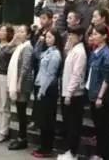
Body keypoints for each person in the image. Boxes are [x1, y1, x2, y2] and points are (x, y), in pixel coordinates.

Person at [32, 28, 63, 158]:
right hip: (41, 85)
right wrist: (40, 41)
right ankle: (43, 145)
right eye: (47, 37)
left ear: (56, 38)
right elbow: (36, 54)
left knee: (47, 120)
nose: (48, 39)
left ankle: (47, 148)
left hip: (48, 89)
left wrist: (42, 91)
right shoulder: (47, 51)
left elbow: (50, 75)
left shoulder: (55, 54)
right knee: (43, 119)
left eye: (50, 37)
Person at [87, 24, 109, 160]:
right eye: (92, 34)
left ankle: (102, 154)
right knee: (97, 126)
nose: (93, 37)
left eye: (96, 34)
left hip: (101, 95)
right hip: (92, 92)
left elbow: (107, 78)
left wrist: (100, 96)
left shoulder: (107, 53)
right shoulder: (95, 51)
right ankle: (99, 153)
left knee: (102, 127)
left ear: (104, 36)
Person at [59, 26, 87, 160]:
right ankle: (69, 150)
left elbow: (77, 74)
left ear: (80, 37)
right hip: (67, 91)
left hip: (75, 94)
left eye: (73, 35)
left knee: (74, 125)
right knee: (68, 124)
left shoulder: (80, 52)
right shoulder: (73, 49)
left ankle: (73, 152)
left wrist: (69, 93)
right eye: (69, 34)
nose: (70, 37)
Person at [7, 25, 34, 151]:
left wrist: (19, 82)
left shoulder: (27, 47)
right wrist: (14, 40)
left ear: (28, 35)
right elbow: (6, 50)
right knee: (19, 111)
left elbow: (25, 67)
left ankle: (22, 138)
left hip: (23, 83)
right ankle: (20, 137)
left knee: (22, 112)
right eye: (19, 31)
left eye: (22, 32)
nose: (19, 33)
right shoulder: (20, 46)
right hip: (19, 81)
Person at [31, 8, 54, 129]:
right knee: (36, 94)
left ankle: (41, 121)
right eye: (40, 18)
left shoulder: (52, 33)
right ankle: (35, 119)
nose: (41, 20)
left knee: (43, 95)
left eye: (44, 18)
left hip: (46, 67)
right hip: (37, 66)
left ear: (50, 19)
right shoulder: (39, 31)